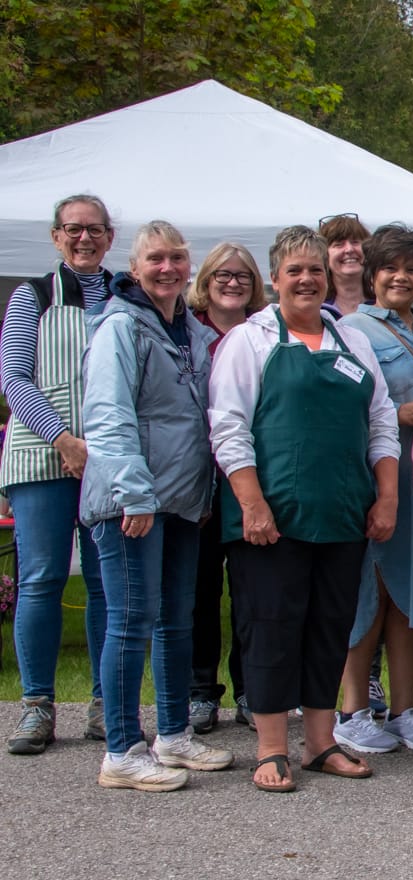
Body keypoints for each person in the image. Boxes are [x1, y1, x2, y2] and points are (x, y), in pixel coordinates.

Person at [209, 225, 401, 792]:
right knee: (270, 626)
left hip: (343, 514)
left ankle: (320, 744)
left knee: (329, 626)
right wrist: (252, 503)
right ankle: (271, 749)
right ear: (274, 279)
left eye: (315, 269)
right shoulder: (250, 340)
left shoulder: (352, 341)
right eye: (294, 270)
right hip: (271, 519)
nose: (307, 279)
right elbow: (227, 428)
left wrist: (385, 496)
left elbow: (382, 421)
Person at [83, 221, 232, 790]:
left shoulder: (189, 330)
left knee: (177, 619)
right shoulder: (120, 326)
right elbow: (107, 414)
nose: (167, 268)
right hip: (132, 502)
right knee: (130, 621)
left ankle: (172, 734)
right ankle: (121, 748)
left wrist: (197, 495)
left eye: (176, 258)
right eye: (155, 259)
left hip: (182, 501)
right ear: (135, 265)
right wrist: (133, 492)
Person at [333, 224, 413, 754]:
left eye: (412, 269)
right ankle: (352, 711)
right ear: (371, 275)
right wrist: (397, 413)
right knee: (369, 596)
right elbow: (339, 409)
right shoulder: (350, 328)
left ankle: (407, 709)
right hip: (378, 482)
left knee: (411, 599)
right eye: (390, 268)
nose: (401, 277)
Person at [3, 194, 115, 754]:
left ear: (110, 237)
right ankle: (37, 707)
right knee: (43, 579)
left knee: (105, 584)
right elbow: (15, 381)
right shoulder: (34, 296)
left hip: (106, 463)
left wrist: (98, 449)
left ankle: (104, 704)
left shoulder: (126, 296)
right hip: (42, 460)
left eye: (94, 230)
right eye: (73, 230)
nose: (84, 239)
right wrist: (64, 440)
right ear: (55, 236)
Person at [186, 242, 270, 734]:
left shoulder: (263, 332)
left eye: (242, 275)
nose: (233, 282)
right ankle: (201, 691)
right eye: (223, 273)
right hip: (198, 477)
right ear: (207, 278)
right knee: (199, 591)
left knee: (250, 591)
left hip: (249, 477)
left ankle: (248, 689)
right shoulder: (187, 329)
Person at [318, 213, 370, 318]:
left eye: (355, 242)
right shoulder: (317, 310)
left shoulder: (385, 306)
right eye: (339, 244)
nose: (349, 249)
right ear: (324, 255)